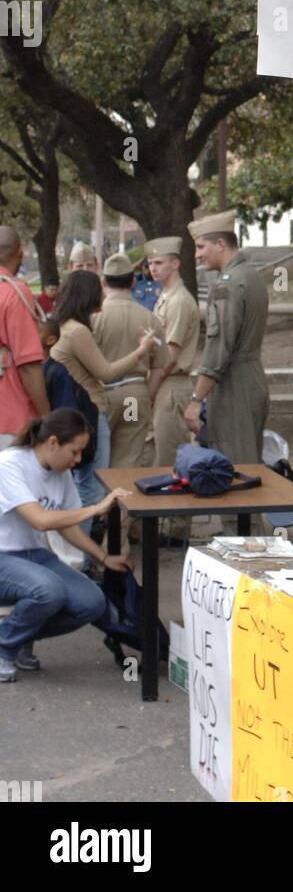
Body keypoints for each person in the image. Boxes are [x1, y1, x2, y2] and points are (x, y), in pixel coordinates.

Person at [0, 408, 131, 682]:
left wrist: (103, 558)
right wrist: (95, 509)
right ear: (52, 443)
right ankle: (4, 646)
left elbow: (66, 525)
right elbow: (40, 520)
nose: (78, 460)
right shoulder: (9, 464)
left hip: (31, 555)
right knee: (49, 591)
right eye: (74, 451)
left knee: (92, 602)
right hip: (3, 555)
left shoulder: (59, 470)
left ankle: (17, 636)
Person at [50, 272, 156, 529]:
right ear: (133, 281)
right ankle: (114, 540)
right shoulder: (147, 314)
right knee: (122, 464)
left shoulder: (69, 325)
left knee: (87, 477)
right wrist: (141, 351)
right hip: (128, 396)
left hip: (102, 401)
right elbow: (108, 371)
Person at [183, 209, 269, 461]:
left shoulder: (227, 285)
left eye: (201, 247)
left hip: (234, 386)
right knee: (248, 460)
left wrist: (196, 399)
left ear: (220, 244)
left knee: (235, 467)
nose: (197, 255)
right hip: (250, 377)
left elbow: (218, 348)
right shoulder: (251, 275)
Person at [93, 253, 166, 469]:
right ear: (133, 280)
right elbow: (159, 367)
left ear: (104, 281)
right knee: (128, 455)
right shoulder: (150, 317)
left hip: (102, 396)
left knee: (99, 459)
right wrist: (147, 394)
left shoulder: (94, 317)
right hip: (133, 395)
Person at [144, 237, 201, 464]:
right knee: (159, 453)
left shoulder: (178, 301)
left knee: (168, 460)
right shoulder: (166, 296)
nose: (153, 268)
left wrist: (149, 390)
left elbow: (169, 356)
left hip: (170, 383)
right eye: (150, 263)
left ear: (175, 264)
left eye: (159, 263)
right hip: (164, 383)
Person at [0, 226, 49, 450]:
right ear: (19, 252)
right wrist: (48, 418)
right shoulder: (14, 292)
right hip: (10, 419)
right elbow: (28, 365)